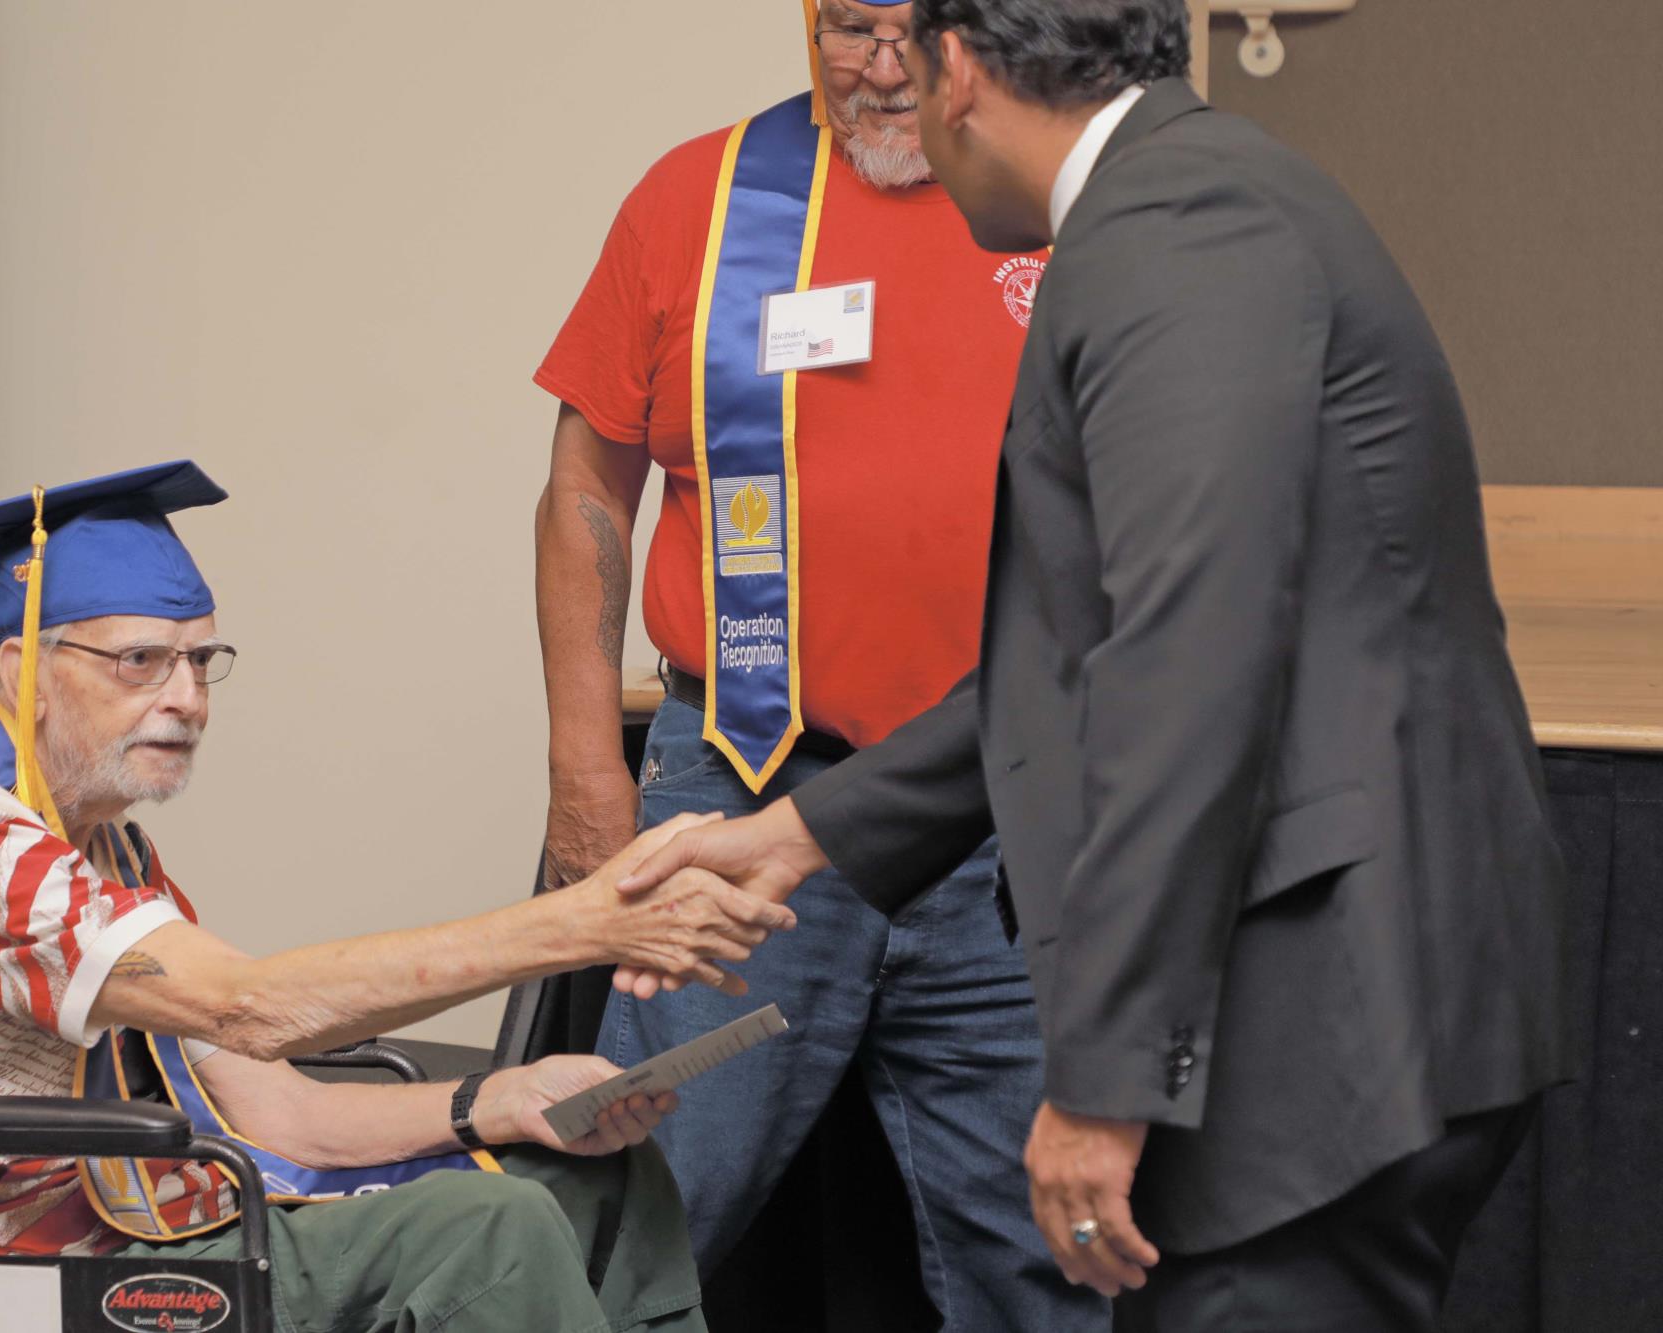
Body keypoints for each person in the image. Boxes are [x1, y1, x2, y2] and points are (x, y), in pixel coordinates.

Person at [613, 2, 1574, 1328]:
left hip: (1332, 1019)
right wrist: (804, 835)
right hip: (1344, 1006)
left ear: (956, 67)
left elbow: (1185, 671)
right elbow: (1082, 652)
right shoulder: (1185, 197)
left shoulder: (1173, 232)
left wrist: (1106, 1083)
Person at [0, 461, 797, 1332]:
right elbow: (253, 1003)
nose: (187, 697)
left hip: (163, 1205)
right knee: (486, 1233)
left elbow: (269, 1100)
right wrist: (578, 920)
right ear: (26, 672)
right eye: (140, 661)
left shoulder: (107, 848)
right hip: (26, 1276)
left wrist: (497, 1098)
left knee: (597, 1177)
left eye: (200, 660)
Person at [532, 2, 1095, 1327]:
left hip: (1002, 817)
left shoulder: (1057, 204)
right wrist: (580, 768)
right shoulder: (703, 201)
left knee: (1038, 1244)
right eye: (849, 26)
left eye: (914, 29)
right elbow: (585, 491)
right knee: (645, 1203)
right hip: (742, 793)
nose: (880, 67)